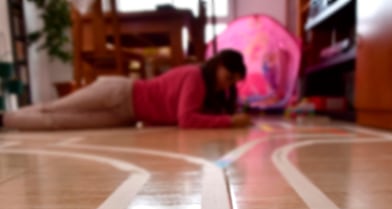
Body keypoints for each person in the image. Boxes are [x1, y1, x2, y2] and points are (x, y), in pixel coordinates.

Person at [0, 49, 251, 131]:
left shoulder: (204, 84)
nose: (226, 85)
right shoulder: (195, 76)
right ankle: (4, 118)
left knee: (60, 121)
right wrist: (229, 120)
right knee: (55, 108)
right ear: (217, 65)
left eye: (232, 82)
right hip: (120, 91)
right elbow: (186, 119)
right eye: (227, 77)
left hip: (127, 114)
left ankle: (6, 121)